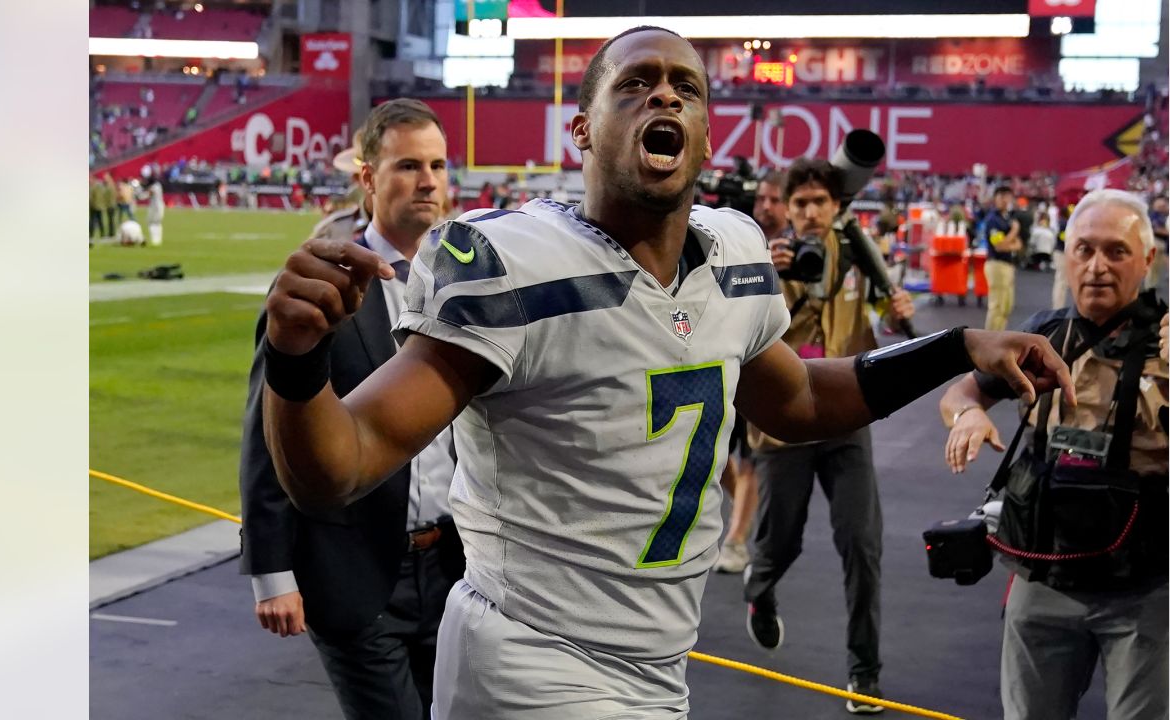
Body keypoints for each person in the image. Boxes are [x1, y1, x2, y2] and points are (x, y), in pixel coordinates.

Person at [260, 27, 1072, 718]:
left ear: (708, 135)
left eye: (685, 85)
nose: (664, 97)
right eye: (636, 84)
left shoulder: (733, 257)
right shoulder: (508, 264)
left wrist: (954, 346)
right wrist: (296, 364)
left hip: (656, 661)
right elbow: (344, 463)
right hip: (529, 661)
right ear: (580, 131)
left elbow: (798, 401)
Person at [239, 99, 462, 720]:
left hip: (455, 566)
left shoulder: (465, 286)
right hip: (359, 572)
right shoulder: (322, 283)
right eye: (408, 166)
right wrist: (271, 571)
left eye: (439, 166)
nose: (428, 182)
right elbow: (269, 435)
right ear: (367, 177)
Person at [938, 188, 1168, 720]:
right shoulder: (1040, 335)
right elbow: (960, 393)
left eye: (1117, 251)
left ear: (1148, 260)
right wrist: (968, 415)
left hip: (1145, 587)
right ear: (1066, 254)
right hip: (1043, 577)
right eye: (1084, 249)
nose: (1097, 267)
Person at [742, 157, 915, 713]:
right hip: (784, 423)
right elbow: (742, 335)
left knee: (862, 545)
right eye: (800, 204)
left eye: (820, 202)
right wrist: (768, 279)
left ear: (837, 207)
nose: (811, 213)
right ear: (786, 210)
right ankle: (759, 589)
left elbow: (890, 322)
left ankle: (865, 673)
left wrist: (898, 310)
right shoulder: (765, 261)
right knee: (779, 545)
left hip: (845, 419)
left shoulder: (862, 258)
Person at [713, 171, 791, 574]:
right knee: (722, 456)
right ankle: (745, 513)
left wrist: (779, 273)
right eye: (762, 198)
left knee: (749, 460)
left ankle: (737, 539)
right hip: (728, 359)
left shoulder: (800, 246)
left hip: (770, 364)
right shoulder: (737, 238)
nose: (766, 206)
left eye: (775, 199)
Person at [979, 185, 1022, 330]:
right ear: (995, 199)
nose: (1004, 200)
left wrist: (1009, 242)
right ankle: (990, 342)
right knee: (997, 306)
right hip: (997, 264)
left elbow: (1018, 244)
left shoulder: (1007, 218)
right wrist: (1014, 232)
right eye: (1001, 197)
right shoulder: (993, 219)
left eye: (1007, 196)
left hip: (1007, 264)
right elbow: (999, 246)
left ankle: (998, 337)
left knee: (1006, 306)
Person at [143, 177, 165, 247]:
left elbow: (149, 194)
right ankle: (158, 239)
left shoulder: (154, 187)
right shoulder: (158, 185)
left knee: (151, 223)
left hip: (155, 207)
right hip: (159, 206)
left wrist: (140, 196)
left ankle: (155, 239)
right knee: (157, 223)